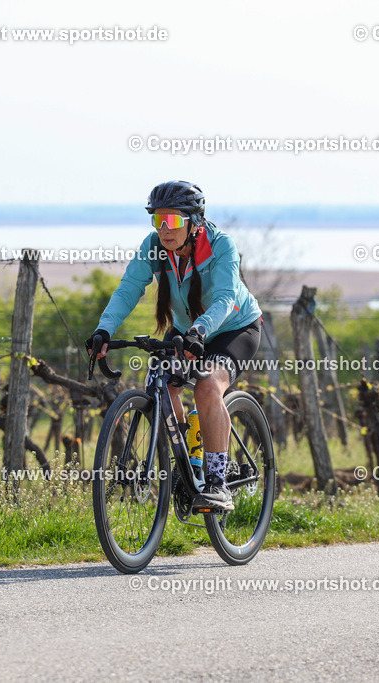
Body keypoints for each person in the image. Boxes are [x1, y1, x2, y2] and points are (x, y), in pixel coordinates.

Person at [85, 181, 263, 512]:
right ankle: (190, 465)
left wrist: (200, 330)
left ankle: (218, 483)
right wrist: (104, 329)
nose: (165, 229)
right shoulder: (154, 246)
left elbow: (225, 298)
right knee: (163, 386)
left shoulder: (221, 245)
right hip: (187, 330)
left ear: (194, 221)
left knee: (208, 386)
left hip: (234, 328)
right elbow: (129, 288)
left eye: (173, 221)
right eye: (158, 220)